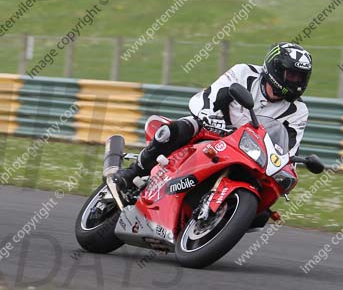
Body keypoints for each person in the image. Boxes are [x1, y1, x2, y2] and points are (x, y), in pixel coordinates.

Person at [114, 42, 312, 196]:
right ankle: (133, 173)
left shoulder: (299, 110)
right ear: (276, 69)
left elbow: (288, 149)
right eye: (293, 76)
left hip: (249, 154)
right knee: (171, 132)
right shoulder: (244, 73)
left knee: (262, 210)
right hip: (213, 129)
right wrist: (207, 115)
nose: (297, 82)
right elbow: (210, 96)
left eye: (302, 77)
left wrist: (285, 167)